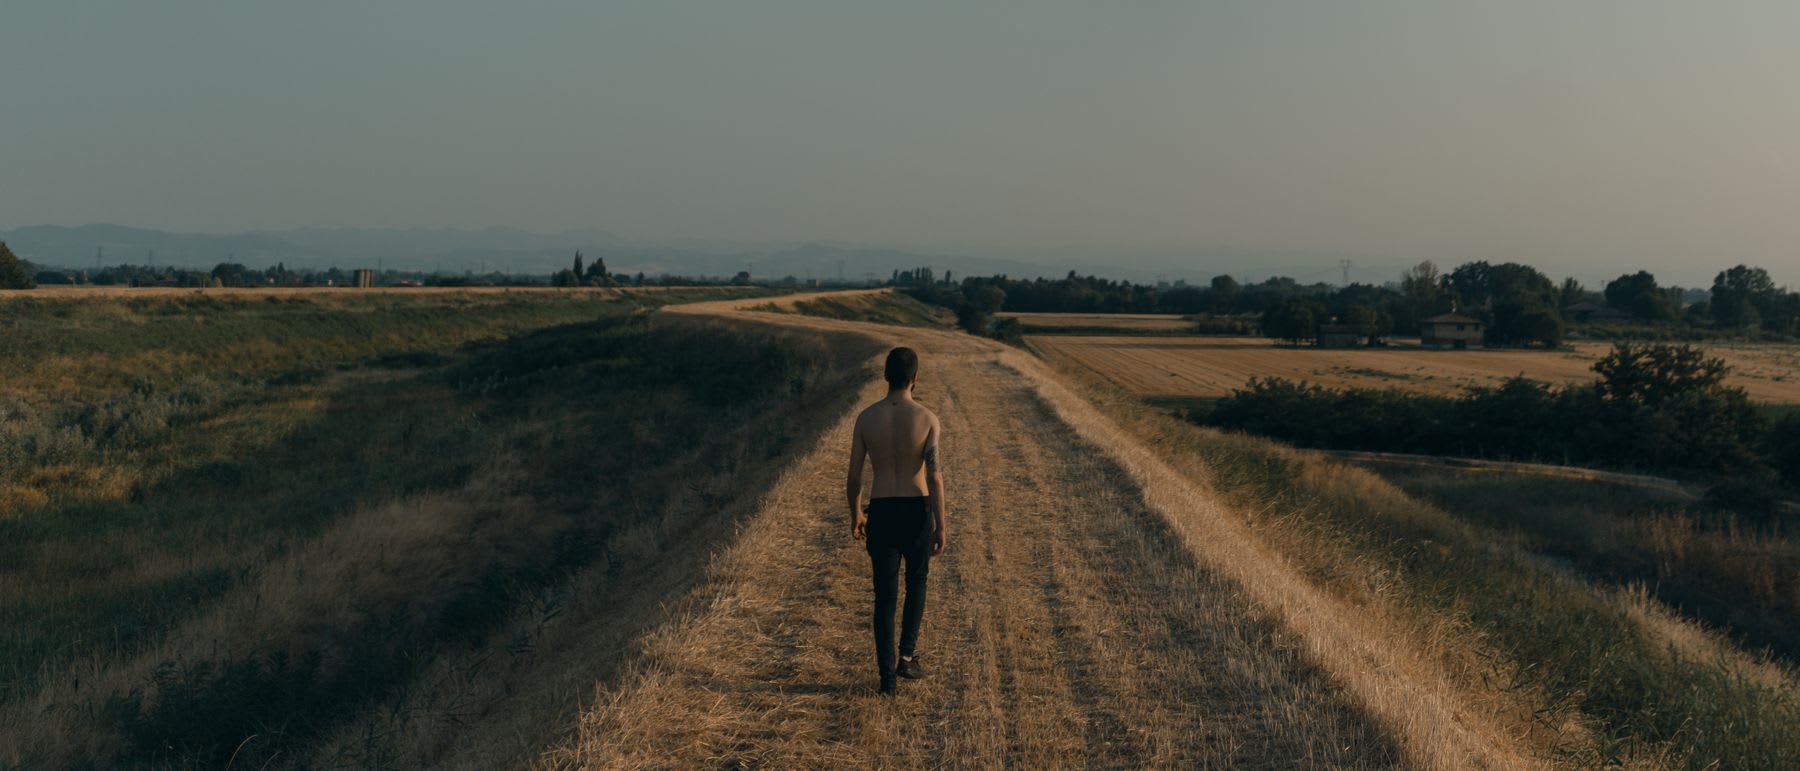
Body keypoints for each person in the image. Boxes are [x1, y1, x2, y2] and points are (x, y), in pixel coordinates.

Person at [847, 346, 949, 695]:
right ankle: (906, 656)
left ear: (885, 376)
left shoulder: (866, 418)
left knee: (885, 594)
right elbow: (934, 476)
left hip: (882, 508)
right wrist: (941, 524)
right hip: (916, 509)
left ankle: (886, 679)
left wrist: (856, 513)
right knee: (917, 581)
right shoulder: (927, 419)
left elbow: (853, 476)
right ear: (915, 378)